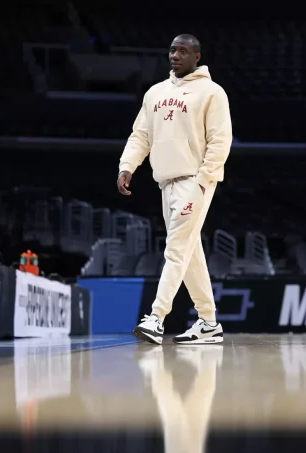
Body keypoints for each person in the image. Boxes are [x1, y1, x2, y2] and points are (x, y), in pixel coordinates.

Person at [117, 34, 232, 345]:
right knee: (189, 253)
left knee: (176, 249)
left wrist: (204, 179)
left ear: (197, 57)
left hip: (194, 181)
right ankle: (208, 323)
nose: (175, 55)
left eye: (183, 51)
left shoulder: (212, 92)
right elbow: (141, 135)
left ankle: (156, 318)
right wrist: (127, 166)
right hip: (166, 182)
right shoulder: (155, 93)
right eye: (172, 49)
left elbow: (221, 140)